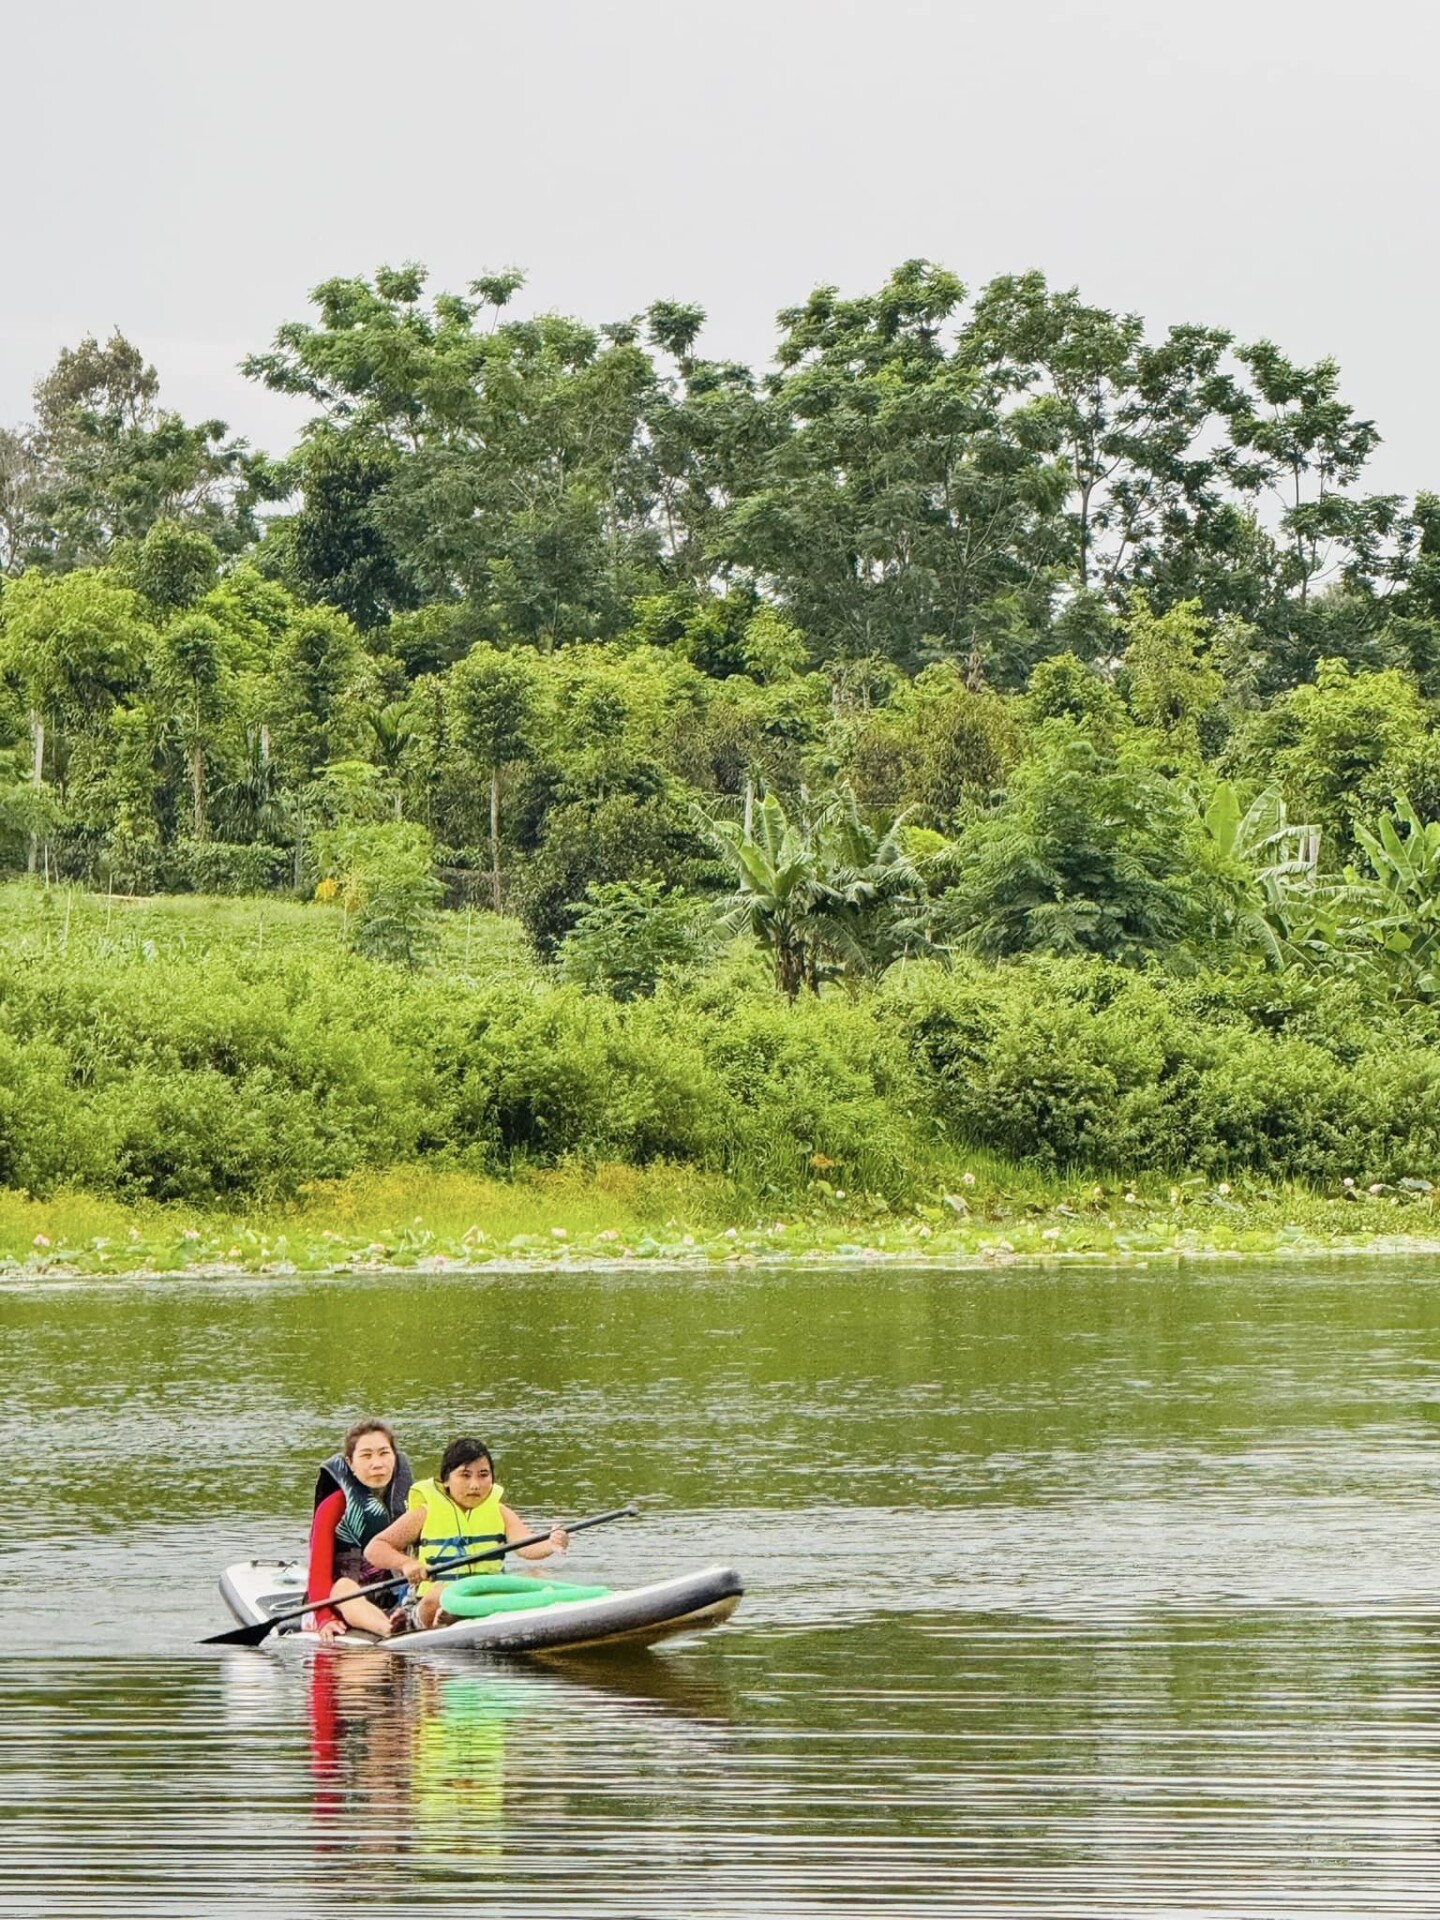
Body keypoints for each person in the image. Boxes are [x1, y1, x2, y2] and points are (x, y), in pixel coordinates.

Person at [365, 1437, 569, 1631]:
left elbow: (527, 1546)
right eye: (465, 1475)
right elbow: (375, 1548)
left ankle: (469, 1614)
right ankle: (442, 1617)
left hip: (485, 1595)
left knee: (537, 1576)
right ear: (446, 1480)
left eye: (483, 1475)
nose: (475, 1485)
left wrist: (551, 1543)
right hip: (434, 1598)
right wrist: (406, 1564)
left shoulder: (499, 1511)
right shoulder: (424, 1514)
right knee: (440, 1595)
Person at [307, 1419, 414, 1643]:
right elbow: (318, 1572)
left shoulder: (411, 1502)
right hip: (343, 1597)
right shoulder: (334, 1506)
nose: (377, 1463)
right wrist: (324, 1617)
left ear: (395, 1457)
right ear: (351, 1463)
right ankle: (390, 1629)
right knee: (344, 1588)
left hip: (395, 1595)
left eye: (384, 1453)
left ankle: (407, 1615)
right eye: (366, 1456)